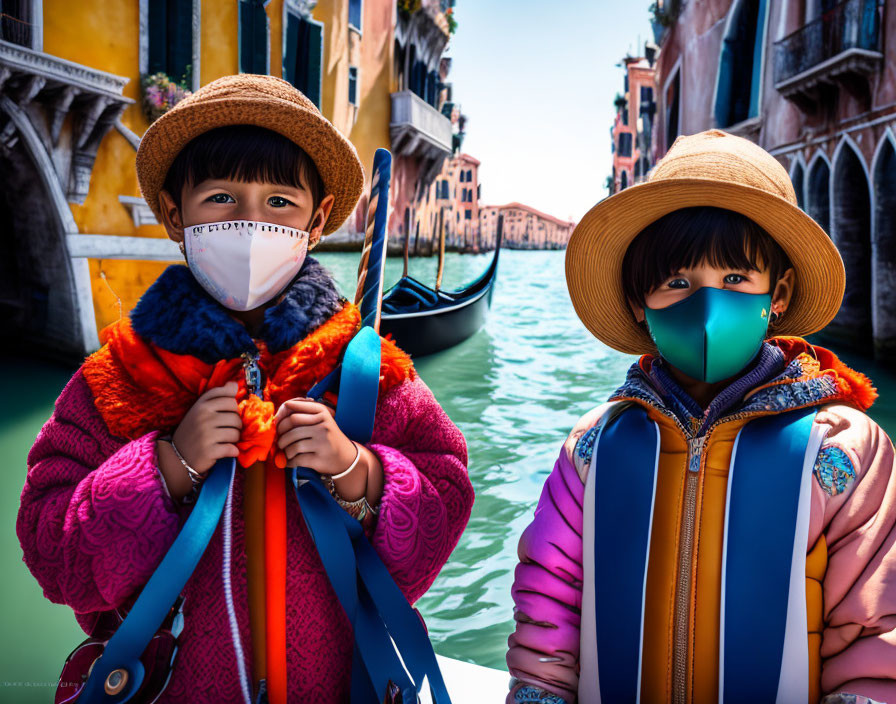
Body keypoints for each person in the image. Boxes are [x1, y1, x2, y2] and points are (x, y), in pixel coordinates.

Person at [16, 74, 474, 704]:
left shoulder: (365, 369)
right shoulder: (118, 376)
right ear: (178, 214)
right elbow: (49, 548)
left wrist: (357, 470)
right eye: (224, 198)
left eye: (280, 203)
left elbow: (446, 496)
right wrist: (167, 467)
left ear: (315, 222)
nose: (252, 223)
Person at [505, 130, 896, 704]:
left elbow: (874, 629)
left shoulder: (845, 450)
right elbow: (548, 603)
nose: (708, 305)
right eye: (678, 282)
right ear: (641, 300)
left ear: (777, 294)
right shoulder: (591, 448)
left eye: (735, 280)